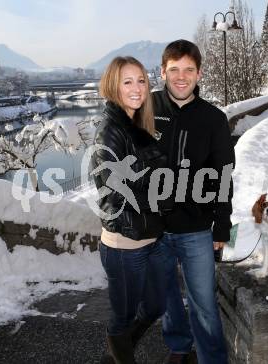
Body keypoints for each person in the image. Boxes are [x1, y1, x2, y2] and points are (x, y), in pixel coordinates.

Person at [152, 40, 235, 364]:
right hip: (154, 229)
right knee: (167, 296)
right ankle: (179, 345)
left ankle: (212, 359)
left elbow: (224, 175)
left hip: (197, 229)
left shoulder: (213, 118)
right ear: (163, 72)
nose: (181, 77)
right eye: (174, 70)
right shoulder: (146, 109)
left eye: (189, 70)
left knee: (204, 303)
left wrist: (222, 226)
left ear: (199, 73)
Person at [91, 56, 168, 364]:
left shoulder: (138, 124)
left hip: (150, 238)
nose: (137, 88)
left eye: (141, 80)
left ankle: (118, 352)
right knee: (122, 319)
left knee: (155, 307)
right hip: (125, 244)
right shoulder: (110, 131)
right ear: (113, 86)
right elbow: (115, 194)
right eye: (127, 81)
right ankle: (121, 353)